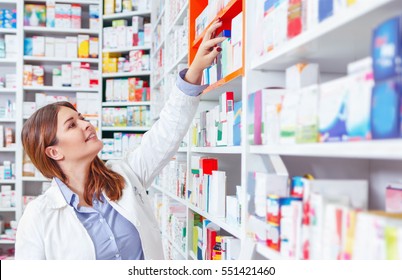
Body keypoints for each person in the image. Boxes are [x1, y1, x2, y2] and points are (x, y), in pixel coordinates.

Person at [15, 20, 225, 260]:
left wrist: (195, 70)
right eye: (72, 125)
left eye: (81, 117)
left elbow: (166, 133)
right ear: (54, 152)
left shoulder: (125, 174)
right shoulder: (38, 217)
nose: (86, 124)